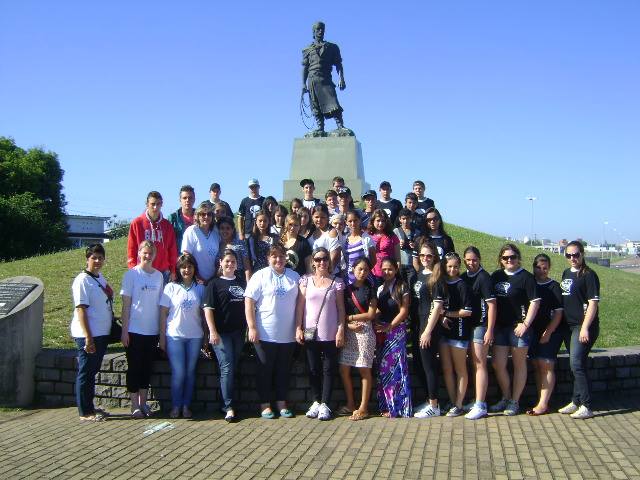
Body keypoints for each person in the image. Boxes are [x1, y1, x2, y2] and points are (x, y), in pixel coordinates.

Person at [244, 244, 300, 419]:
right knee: (265, 370)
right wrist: (252, 327)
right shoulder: (260, 276)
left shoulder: (295, 276)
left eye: (281, 256)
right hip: (264, 333)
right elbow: (249, 302)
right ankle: (265, 405)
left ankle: (282, 403)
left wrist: (299, 327)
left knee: (283, 371)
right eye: (274, 256)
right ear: (268, 258)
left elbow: (301, 304)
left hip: (288, 335)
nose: (278, 259)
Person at [296, 247, 346, 421]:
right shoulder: (306, 281)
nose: (321, 262)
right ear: (313, 262)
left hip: (330, 333)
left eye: (324, 259)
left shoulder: (337, 282)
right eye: (318, 259)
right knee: (313, 368)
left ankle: (325, 403)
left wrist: (341, 329)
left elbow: (341, 309)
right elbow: (300, 307)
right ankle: (316, 401)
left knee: (328, 369)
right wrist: (298, 328)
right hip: (311, 333)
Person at [490, 243, 540, 416]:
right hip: (500, 328)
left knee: (519, 365)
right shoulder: (496, 276)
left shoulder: (526, 277)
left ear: (518, 258)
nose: (509, 260)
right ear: (501, 260)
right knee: (498, 364)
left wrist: (525, 324)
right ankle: (506, 397)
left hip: (519, 328)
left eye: (513, 257)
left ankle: (515, 401)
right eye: (505, 258)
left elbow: (535, 302)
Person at [120, 240, 163, 419]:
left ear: (155, 255)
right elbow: (126, 305)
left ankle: (143, 403)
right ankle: (134, 405)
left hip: (152, 330)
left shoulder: (159, 276)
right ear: (139, 253)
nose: (147, 256)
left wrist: (161, 332)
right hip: (134, 330)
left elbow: (160, 306)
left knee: (146, 368)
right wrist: (124, 331)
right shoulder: (131, 275)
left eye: (150, 253)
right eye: (144, 252)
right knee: (134, 368)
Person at [203, 249, 247, 422]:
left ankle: (228, 401)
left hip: (239, 333)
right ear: (220, 262)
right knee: (227, 366)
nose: (230, 264)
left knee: (233, 367)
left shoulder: (242, 282)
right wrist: (212, 331)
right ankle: (228, 407)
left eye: (233, 261)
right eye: (227, 261)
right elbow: (208, 309)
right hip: (221, 334)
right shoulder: (213, 284)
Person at [558, 241, 600, 419]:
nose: (573, 258)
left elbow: (593, 303)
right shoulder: (566, 273)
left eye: (576, 255)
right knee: (576, 364)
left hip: (581, 327)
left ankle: (586, 405)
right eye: (569, 255)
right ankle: (575, 401)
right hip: (568, 326)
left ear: (582, 254)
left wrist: (585, 328)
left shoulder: (589, 275)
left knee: (576, 364)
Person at [159, 253, 205, 419]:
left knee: (190, 372)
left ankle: (186, 406)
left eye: (190, 267)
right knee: (179, 373)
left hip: (195, 336)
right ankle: (176, 406)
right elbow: (163, 314)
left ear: (194, 268)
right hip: (174, 336)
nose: (187, 270)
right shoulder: (170, 287)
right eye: (183, 267)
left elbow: (204, 314)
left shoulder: (200, 288)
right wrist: (162, 338)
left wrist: (206, 337)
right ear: (178, 269)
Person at [71, 243, 113, 421]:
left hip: (101, 332)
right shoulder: (82, 280)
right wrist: (88, 337)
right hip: (89, 334)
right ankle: (85, 412)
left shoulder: (99, 277)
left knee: (92, 372)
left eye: (100, 258)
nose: (97, 261)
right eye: (93, 258)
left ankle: (90, 406)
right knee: (86, 372)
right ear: (87, 259)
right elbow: (81, 309)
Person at [460, 246, 497, 421]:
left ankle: (481, 404)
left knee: (480, 363)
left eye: (474, 259)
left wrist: (490, 330)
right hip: (467, 325)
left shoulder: (484, 278)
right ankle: (476, 400)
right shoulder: (463, 277)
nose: (471, 263)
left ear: (479, 259)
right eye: (468, 260)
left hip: (481, 326)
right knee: (473, 364)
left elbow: (492, 306)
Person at [339, 257, 377, 421]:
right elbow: (340, 312)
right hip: (349, 331)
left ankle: (363, 408)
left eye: (366, 270)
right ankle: (350, 403)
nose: (362, 272)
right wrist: (348, 324)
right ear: (353, 269)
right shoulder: (346, 289)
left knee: (364, 369)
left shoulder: (371, 289)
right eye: (360, 269)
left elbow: (371, 314)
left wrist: (351, 318)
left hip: (365, 331)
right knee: (344, 369)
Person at [527, 253, 564, 416]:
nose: (541, 271)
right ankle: (541, 399)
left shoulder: (554, 286)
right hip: (533, 331)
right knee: (536, 364)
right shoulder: (530, 283)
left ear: (549, 268)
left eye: (545, 268)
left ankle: (543, 404)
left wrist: (548, 332)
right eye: (538, 267)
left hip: (551, 331)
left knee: (546, 364)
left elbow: (558, 313)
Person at [411, 241, 445, 419]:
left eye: (429, 256)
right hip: (417, 323)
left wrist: (428, 331)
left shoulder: (436, 276)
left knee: (429, 366)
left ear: (434, 257)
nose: (425, 258)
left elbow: (437, 306)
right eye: (422, 255)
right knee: (419, 365)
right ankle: (428, 399)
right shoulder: (419, 274)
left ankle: (434, 405)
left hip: (428, 325)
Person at [375, 257, 412, 417]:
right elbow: (379, 310)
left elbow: (404, 311)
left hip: (396, 331)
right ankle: (386, 405)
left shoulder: (402, 286)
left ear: (396, 269)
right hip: (382, 332)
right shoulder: (380, 288)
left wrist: (390, 326)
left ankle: (398, 407)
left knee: (396, 368)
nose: (387, 272)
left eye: (390, 269)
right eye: (384, 269)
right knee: (383, 369)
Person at [439, 252, 473, 417]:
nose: (452, 269)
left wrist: (447, 314)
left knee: (460, 369)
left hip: (459, 331)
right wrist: (441, 318)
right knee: (447, 368)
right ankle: (453, 401)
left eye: (456, 267)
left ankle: (459, 404)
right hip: (444, 331)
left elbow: (467, 311)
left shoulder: (462, 285)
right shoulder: (441, 283)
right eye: (449, 266)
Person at [302, 21, 347, 135]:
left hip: (325, 79)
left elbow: (338, 64)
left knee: (333, 102)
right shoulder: (307, 50)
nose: (320, 31)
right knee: (315, 105)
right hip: (312, 80)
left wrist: (341, 78)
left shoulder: (332, 47)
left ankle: (340, 126)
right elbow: (305, 67)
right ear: (313, 32)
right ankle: (320, 128)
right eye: (318, 29)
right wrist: (303, 84)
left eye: (322, 29)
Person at [127, 191, 177, 283]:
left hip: (163, 272)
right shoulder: (137, 223)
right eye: (153, 204)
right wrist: (132, 269)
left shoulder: (167, 225)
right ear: (147, 204)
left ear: (162, 204)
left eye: (158, 204)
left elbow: (172, 249)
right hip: (142, 271)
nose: (155, 207)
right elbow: (131, 249)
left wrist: (173, 270)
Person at [181, 202, 220, 284]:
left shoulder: (215, 233)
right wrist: (197, 276)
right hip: (195, 279)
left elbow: (218, 258)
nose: (206, 217)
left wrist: (215, 276)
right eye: (203, 214)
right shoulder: (191, 231)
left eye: (209, 214)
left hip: (214, 279)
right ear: (197, 216)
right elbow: (186, 256)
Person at [412, 208, 455, 273]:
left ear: (439, 220)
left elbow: (451, 260)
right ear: (425, 222)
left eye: (435, 219)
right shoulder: (420, 239)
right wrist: (423, 275)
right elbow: (415, 261)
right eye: (429, 220)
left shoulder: (447, 240)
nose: (432, 222)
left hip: (442, 276)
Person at [368, 209, 400, 284]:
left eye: (383, 221)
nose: (380, 223)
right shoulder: (368, 236)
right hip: (372, 274)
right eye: (378, 220)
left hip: (389, 273)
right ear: (373, 221)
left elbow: (398, 258)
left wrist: (396, 272)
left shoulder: (392, 236)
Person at [343, 210, 375, 285]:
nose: (353, 223)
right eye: (350, 221)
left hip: (363, 279)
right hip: (349, 279)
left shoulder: (366, 239)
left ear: (360, 220)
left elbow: (373, 260)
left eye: (355, 220)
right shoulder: (345, 239)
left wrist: (363, 272)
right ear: (346, 222)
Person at [216, 216, 251, 283]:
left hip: (238, 278)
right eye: (222, 228)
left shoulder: (240, 244)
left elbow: (247, 267)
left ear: (232, 230)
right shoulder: (217, 245)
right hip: (222, 279)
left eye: (228, 228)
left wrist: (249, 284)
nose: (225, 231)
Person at [308, 204, 341, 274]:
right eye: (316, 217)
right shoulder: (310, 232)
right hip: (313, 273)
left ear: (327, 217)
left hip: (329, 273)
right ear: (312, 217)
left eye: (323, 217)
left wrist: (326, 273)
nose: (319, 220)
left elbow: (334, 256)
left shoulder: (332, 232)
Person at [169, 185, 195, 256]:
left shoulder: (201, 217)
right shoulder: (172, 218)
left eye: (190, 198)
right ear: (180, 200)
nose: (187, 200)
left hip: (197, 258)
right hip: (179, 258)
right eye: (184, 198)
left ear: (194, 199)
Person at [394, 208, 419, 284]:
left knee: (411, 285)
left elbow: (421, 248)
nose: (405, 221)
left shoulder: (417, 232)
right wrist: (398, 245)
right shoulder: (395, 231)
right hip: (400, 264)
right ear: (400, 219)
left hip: (412, 264)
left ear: (411, 219)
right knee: (400, 285)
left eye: (407, 218)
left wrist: (415, 246)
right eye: (403, 219)